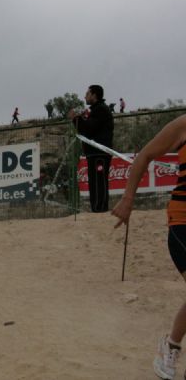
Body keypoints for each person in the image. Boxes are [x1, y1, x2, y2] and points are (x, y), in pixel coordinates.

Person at [111, 114, 186, 380]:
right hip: (182, 221)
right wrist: (128, 199)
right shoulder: (183, 125)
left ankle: (172, 344)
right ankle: (170, 347)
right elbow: (144, 156)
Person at [68, 85, 114, 213]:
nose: (85, 96)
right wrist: (79, 119)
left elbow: (88, 129)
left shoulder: (101, 109)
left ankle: (100, 209)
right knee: (94, 183)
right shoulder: (95, 110)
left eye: (87, 94)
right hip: (93, 153)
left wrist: (76, 118)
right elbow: (87, 128)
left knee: (99, 182)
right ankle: (96, 208)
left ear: (94, 95)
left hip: (99, 153)